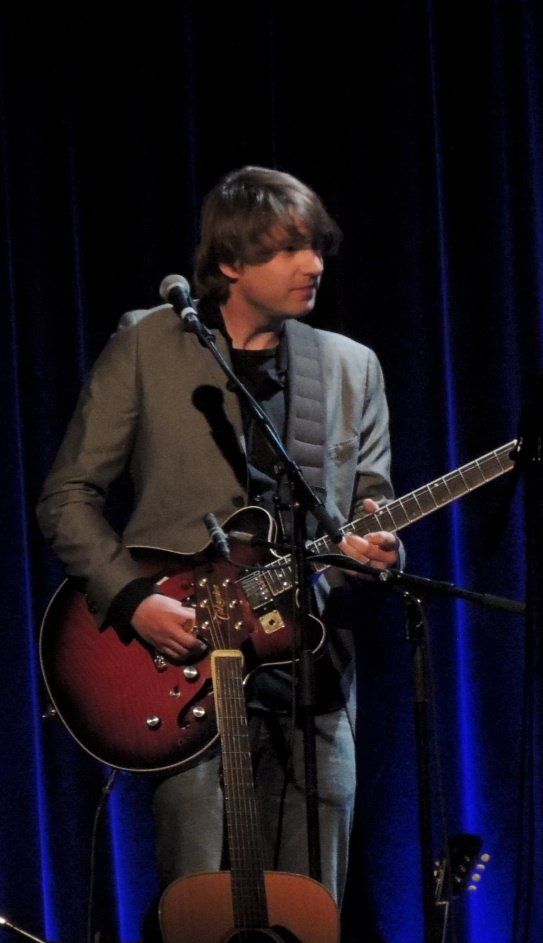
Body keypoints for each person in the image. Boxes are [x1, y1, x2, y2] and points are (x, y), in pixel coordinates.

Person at [38, 165, 399, 901]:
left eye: (316, 246)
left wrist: (378, 547)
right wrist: (132, 599)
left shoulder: (351, 366)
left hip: (311, 675)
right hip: (186, 668)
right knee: (202, 913)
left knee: (311, 915)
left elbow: (372, 503)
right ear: (230, 262)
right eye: (288, 249)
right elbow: (67, 497)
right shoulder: (148, 345)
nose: (313, 264)